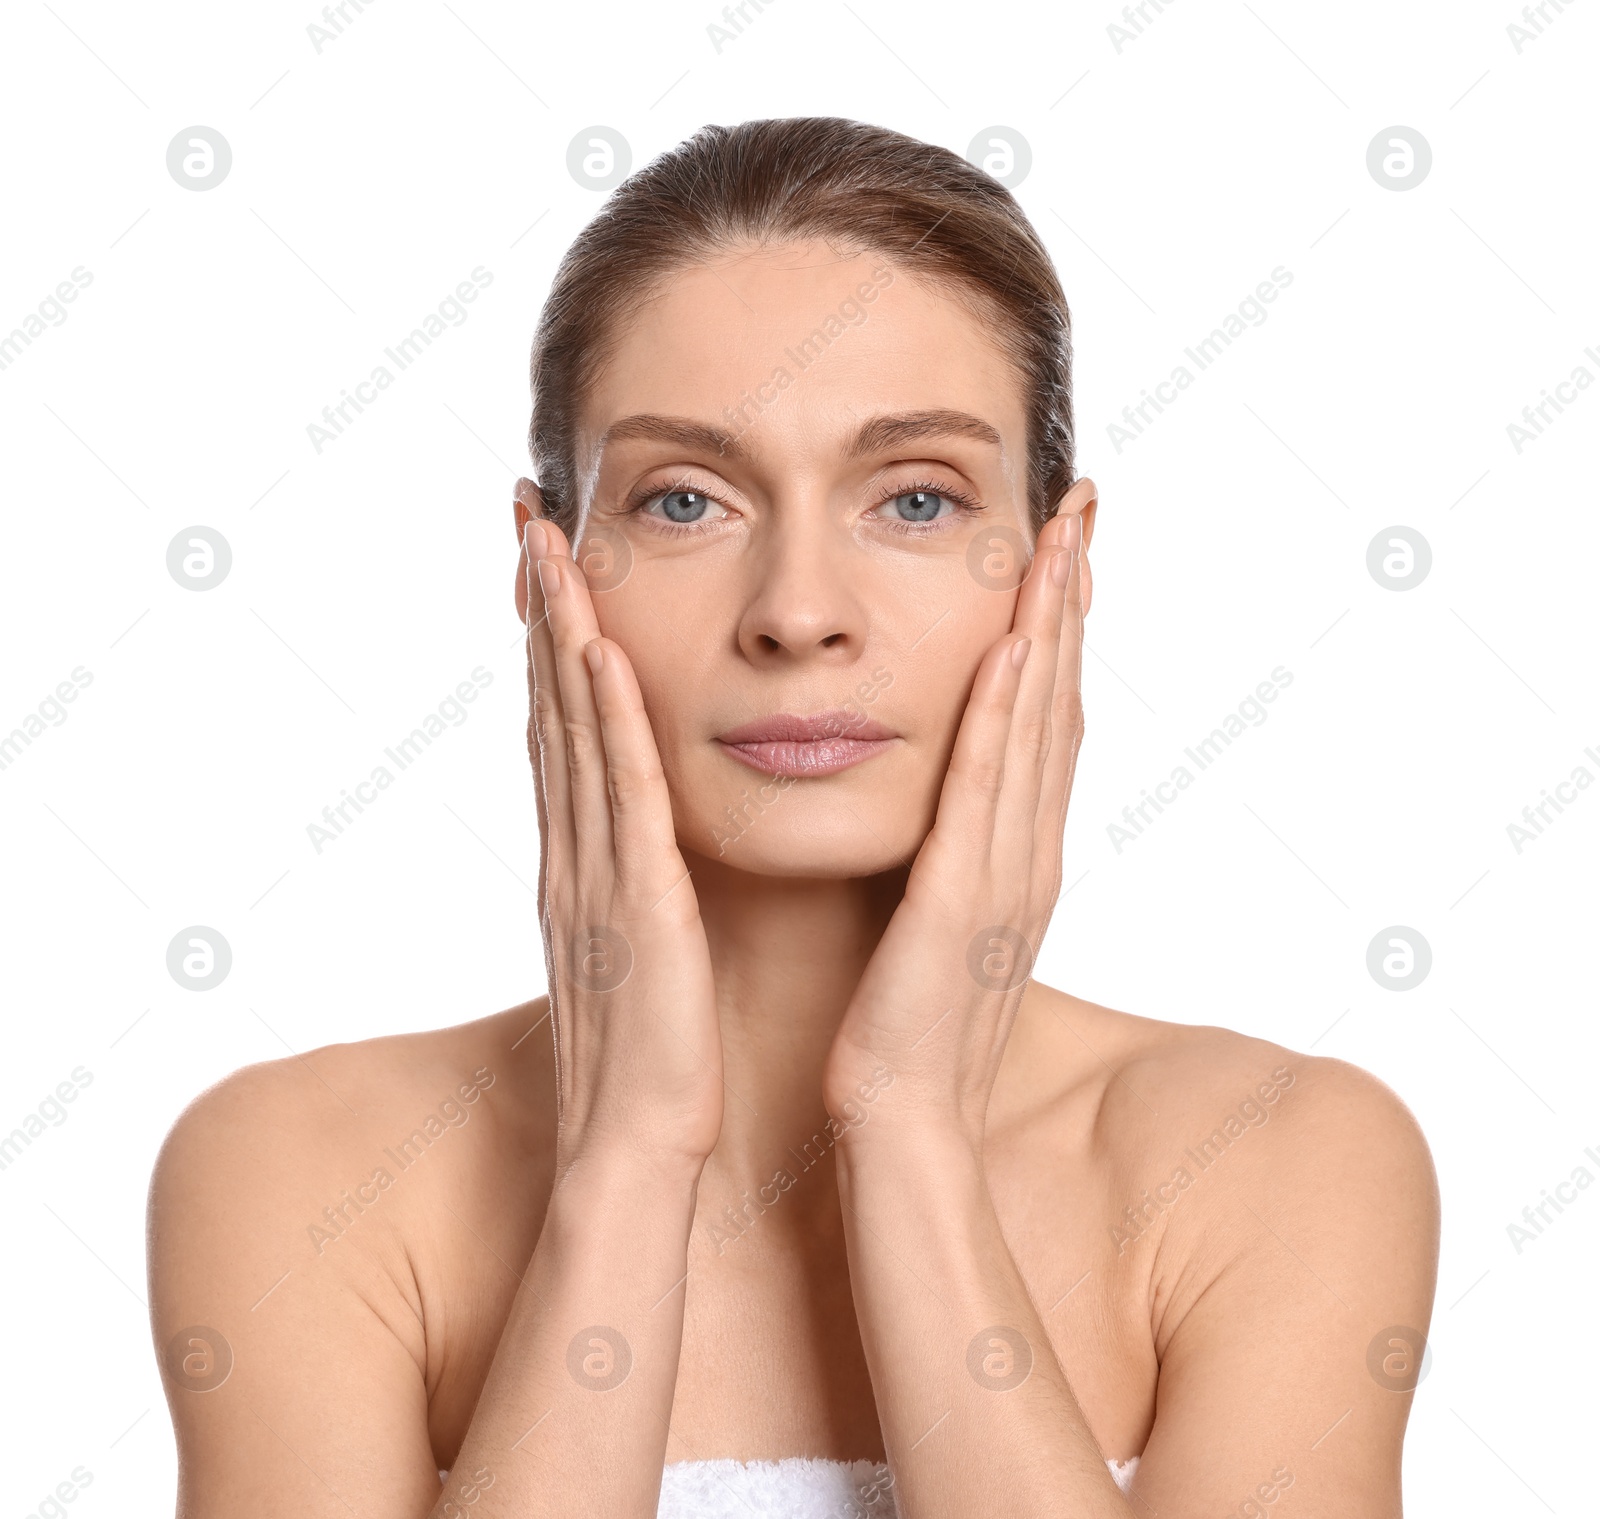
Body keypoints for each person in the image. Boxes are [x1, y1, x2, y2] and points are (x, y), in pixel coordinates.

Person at [148, 117, 1439, 1518]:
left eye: (919, 498)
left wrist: (912, 1136)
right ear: (545, 570)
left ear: (1059, 570)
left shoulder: (1280, 1161)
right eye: (688, 499)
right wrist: (626, 1158)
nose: (800, 613)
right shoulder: (297, 1174)